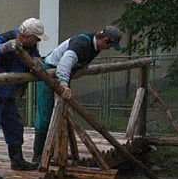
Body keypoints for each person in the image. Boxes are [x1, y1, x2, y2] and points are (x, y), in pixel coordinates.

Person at [31, 26, 123, 164]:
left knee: (61, 114)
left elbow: (79, 65)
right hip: (49, 73)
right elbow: (64, 64)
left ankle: (57, 152)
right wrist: (64, 84)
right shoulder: (81, 44)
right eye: (109, 45)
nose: (108, 49)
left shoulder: (95, 46)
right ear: (105, 40)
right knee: (45, 116)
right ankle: (38, 157)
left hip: (61, 76)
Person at [0, 17, 47, 179]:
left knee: (15, 126)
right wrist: (3, 48)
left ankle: (17, 160)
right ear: (27, 36)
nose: (37, 41)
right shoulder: (5, 38)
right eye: (36, 38)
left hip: (9, 92)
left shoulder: (30, 46)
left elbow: (34, 57)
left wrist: (37, 61)